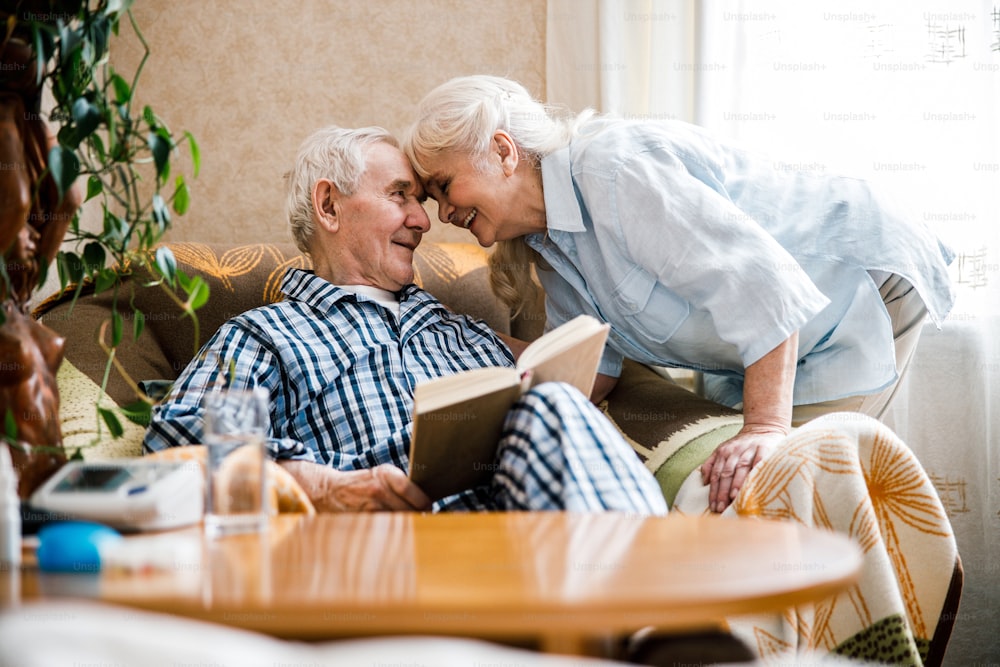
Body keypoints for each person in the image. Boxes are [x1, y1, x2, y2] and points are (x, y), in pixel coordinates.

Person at [402, 74, 956, 513]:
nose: (445, 214)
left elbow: (761, 286)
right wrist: (456, 344)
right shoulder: (548, 247)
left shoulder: (614, 170)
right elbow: (594, 370)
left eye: (444, 186)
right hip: (778, 333)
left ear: (502, 151)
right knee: (744, 495)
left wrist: (765, 428)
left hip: (855, 284)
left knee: (788, 489)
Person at [143, 125, 667, 516]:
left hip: (525, 541)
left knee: (551, 399)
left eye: (421, 200)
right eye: (400, 195)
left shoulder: (465, 332)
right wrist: (324, 487)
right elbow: (173, 449)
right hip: (385, 551)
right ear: (329, 205)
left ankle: (652, 621)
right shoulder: (263, 336)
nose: (422, 221)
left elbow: (573, 400)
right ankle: (655, 621)